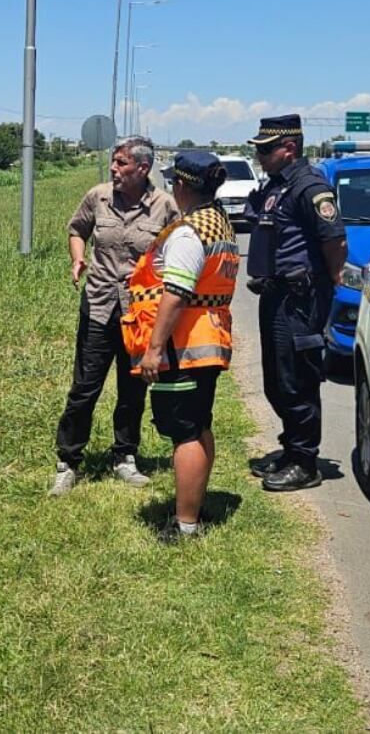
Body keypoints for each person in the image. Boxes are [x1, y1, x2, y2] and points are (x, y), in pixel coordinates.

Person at [50, 137, 180, 496]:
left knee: (132, 388)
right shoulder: (98, 196)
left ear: (143, 167)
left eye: (121, 163)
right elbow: (78, 229)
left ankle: (125, 456)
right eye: (113, 162)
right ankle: (68, 460)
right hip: (99, 304)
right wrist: (77, 257)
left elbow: (180, 249)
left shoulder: (164, 206)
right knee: (84, 389)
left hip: (140, 312)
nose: (113, 168)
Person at [122, 151, 239, 543]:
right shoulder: (218, 222)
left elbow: (174, 295)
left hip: (184, 346)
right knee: (199, 424)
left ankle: (185, 524)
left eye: (174, 182)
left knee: (184, 432)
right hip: (207, 340)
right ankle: (194, 504)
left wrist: (154, 350)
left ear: (183, 185)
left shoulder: (189, 232)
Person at [245, 115, 347, 492]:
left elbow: (334, 241)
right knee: (277, 378)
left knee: (297, 380)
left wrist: (330, 284)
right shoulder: (277, 185)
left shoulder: (310, 187)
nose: (259, 155)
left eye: (266, 149)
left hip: (300, 298)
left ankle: (305, 462)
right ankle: (291, 449)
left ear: (289, 148)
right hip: (275, 294)